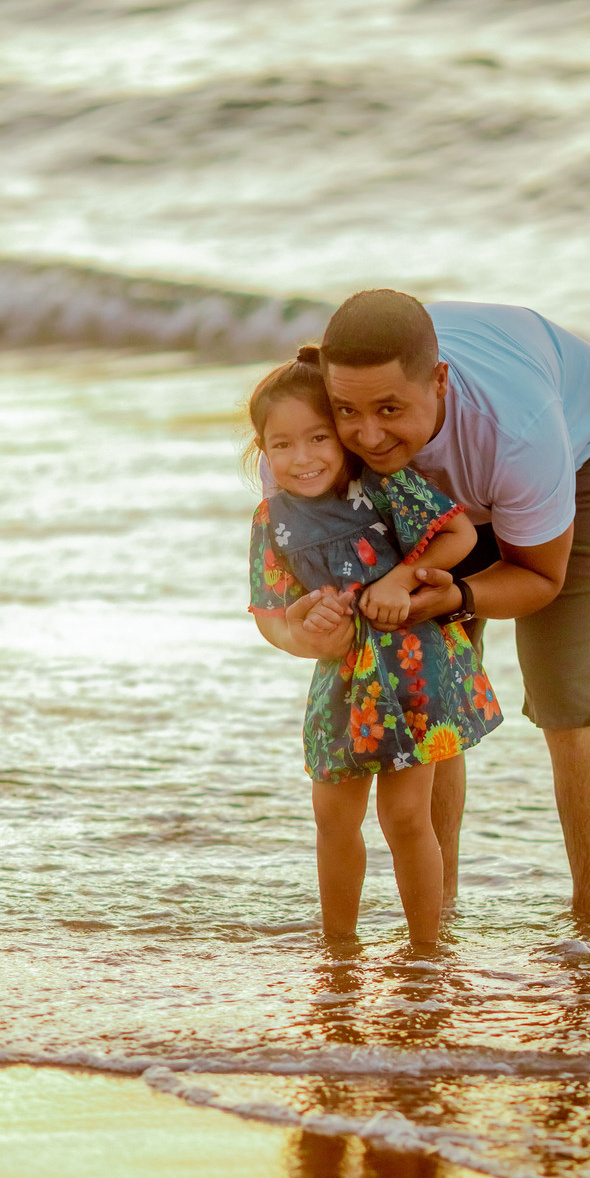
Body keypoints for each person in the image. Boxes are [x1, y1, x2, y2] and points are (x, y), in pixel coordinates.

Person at [261, 291, 590, 924]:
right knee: (425, 685)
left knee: (565, 692)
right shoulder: (315, 443)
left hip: (577, 454)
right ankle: (439, 920)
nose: (370, 436)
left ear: (438, 382)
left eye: (390, 408)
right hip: (434, 499)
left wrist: (460, 595)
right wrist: (306, 630)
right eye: (348, 410)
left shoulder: (516, 432)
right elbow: (292, 604)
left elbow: (539, 577)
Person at [246, 349, 503, 948]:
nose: (302, 457)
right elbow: (270, 616)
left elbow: (460, 534)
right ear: (262, 448)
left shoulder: (383, 487)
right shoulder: (272, 520)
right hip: (340, 680)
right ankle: (339, 950)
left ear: (340, 434)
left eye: (316, 437)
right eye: (281, 445)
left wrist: (401, 579)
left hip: (412, 669)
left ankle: (426, 951)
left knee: (406, 817)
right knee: (333, 818)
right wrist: (302, 630)